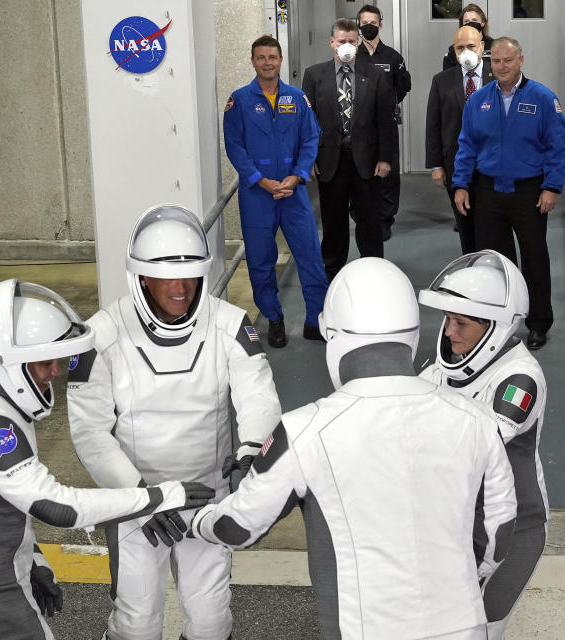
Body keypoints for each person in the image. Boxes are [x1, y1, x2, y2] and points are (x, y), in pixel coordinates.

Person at [190, 258, 518, 639]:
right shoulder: (478, 420)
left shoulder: (302, 431)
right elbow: (498, 532)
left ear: (335, 335)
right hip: (464, 625)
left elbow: (238, 528)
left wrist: (194, 520)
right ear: (412, 333)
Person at [0, 279, 214, 640]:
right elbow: (57, 506)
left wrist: (30, 560)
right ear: (7, 363)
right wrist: (161, 496)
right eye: (45, 362)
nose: (56, 372)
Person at [67, 205, 282, 640]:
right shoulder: (100, 337)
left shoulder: (229, 324)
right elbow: (89, 431)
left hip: (206, 498)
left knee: (211, 623)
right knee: (137, 622)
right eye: (167, 276)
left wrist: (252, 444)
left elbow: (257, 393)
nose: (182, 288)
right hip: (135, 504)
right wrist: (140, 498)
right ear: (142, 276)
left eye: (191, 275)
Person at [419, 250, 549, 639]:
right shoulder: (440, 367)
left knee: (479, 632)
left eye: (460, 322)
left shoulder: (520, 379)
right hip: (454, 526)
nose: (449, 332)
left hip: (513, 532)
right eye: (446, 319)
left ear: (494, 328)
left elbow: (473, 447)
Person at [452, 37, 565, 351]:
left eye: (508, 61)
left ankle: (538, 324)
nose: (502, 67)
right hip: (487, 192)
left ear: (521, 60)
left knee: (534, 259)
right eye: (496, 62)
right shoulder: (478, 101)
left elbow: (558, 148)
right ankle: (498, 323)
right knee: (494, 264)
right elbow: (466, 146)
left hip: (529, 193)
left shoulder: (543, 99)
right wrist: (461, 184)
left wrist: (551, 187)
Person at [223, 35, 329, 348]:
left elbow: (311, 140)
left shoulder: (297, 99)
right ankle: (274, 318)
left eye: (272, 57)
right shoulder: (239, 101)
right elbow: (234, 147)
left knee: (310, 256)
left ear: (281, 60)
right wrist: (260, 179)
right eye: (261, 57)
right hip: (258, 194)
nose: (267, 62)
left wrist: (297, 176)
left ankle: (315, 320)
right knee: (260, 260)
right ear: (253, 61)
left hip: (292, 192)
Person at [302, 19, 398, 281]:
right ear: (332, 42)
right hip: (330, 161)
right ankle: (332, 273)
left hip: (367, 161)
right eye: (341, 41)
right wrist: (308, 160)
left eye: (351, 42)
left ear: (359, 43)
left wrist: (385, 158)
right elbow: (306, 123)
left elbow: (385, 120)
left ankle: (373, 271)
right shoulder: (314, 75)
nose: (347, 46)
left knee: (369, 222)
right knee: (333, 223)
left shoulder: (376, 74)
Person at [426, 25, 494, 254]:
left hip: (492, 164)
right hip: (455, 164)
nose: (466, 52)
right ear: (454, 51)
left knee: (492, 224)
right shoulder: (441, 81)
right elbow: (433, 124)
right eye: (460, 48)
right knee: (465, 224)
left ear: (482, 47)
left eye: (471, 46)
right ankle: (471, 268)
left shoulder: (497, 76)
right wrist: (436, 165)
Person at [356, 4, 411, 241]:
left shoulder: (393, 57)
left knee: (387, 172)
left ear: (381, 24)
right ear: (358, 25)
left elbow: (403, 86)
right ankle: (362, 218)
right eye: (364, 22)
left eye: (373, 22)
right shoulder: (352, 56)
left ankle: (385, 219)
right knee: (360, 171)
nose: (368, 26)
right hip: (357, 127)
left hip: (385, 125)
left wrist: (388, 104)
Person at [442, 4, 493, 70]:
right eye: (467, 21)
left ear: (483, 22)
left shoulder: (495, 46)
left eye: (474, 20)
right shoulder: (453, 50)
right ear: (462, 25)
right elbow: (447, 75)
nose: (471, 23)